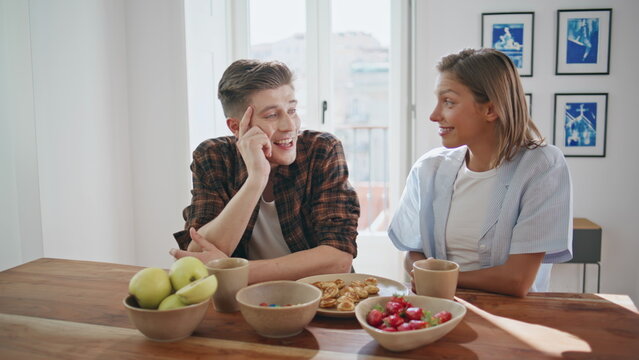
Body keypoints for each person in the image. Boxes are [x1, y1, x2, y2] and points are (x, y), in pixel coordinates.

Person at [388, 48, 573, 297]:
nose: (434, 115)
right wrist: (424, 271)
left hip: (513, 318)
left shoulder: (542, 166)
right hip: (439, 312)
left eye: (449, 102)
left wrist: (439, 278)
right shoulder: (429, 168)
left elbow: (517, 281)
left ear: (490, 110)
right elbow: (413, 252)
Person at [170, 59, 360, 284]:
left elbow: (338, 259)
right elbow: (198, 254)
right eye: (272, 115)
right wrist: (256, 180)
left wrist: (237, 272)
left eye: (292, 110)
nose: (289, 125)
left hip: (320, 299)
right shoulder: (213, 156)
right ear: (236, 127)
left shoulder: (322, 150)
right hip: (243, 301)